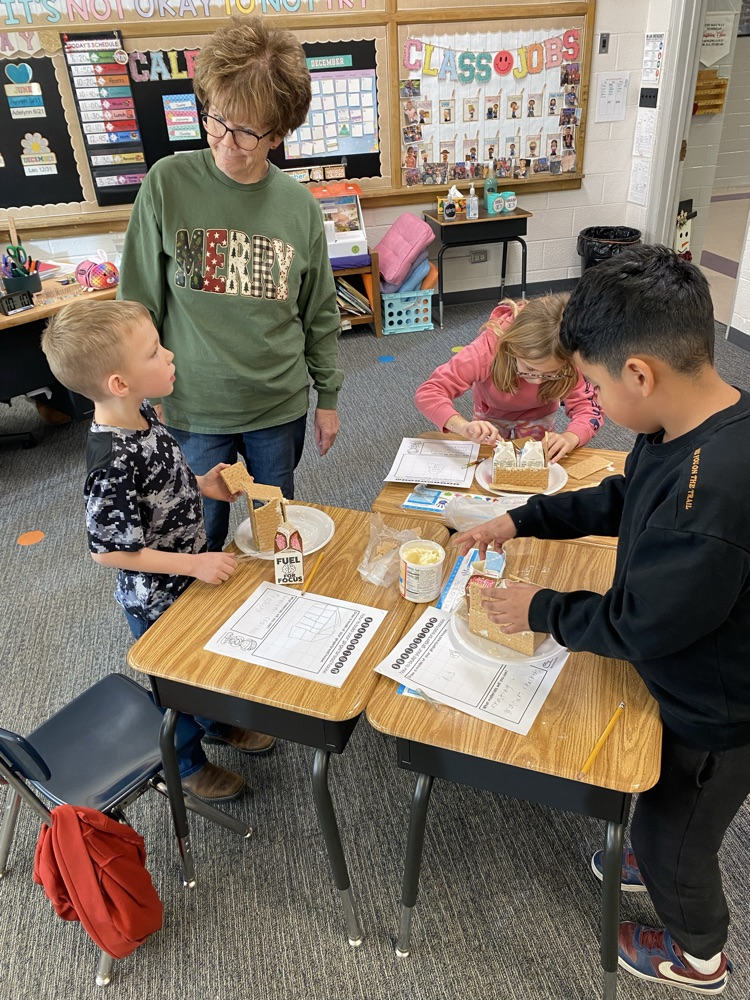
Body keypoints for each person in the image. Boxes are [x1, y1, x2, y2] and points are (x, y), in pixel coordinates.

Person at [454, 246, 750, 995]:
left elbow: (643, 625)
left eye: (589, 384)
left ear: (640, 374)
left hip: (718, 713)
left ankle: (699, 954)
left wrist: (540, 609)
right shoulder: (685, 425)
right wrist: (521, 520)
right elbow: (617, 500)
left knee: (675, 832)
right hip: (691, 669)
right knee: (655, 798)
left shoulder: (708, 499)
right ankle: (651, 858)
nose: (586, 397)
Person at [118, 16, 343, 551]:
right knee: (201, 535)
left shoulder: (299, 207)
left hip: (276, 402)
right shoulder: (167, 184)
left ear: (280, 132)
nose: (224, 142)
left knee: (272, 531)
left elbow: (319, 312)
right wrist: (140, 402)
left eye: (246, 132)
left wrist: (328, 397)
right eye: (216, 121)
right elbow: (137, 306)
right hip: (194, 404)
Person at [41, 299, 276, 803]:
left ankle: (217, 722)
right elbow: (108, 551)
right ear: (119, 384)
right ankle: (187, 765)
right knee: (174, 684)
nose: (170, 356)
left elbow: (162, 481)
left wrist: (202, 485)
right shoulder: (110, 461)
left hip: (187, 580)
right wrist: (194, 561)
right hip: (156, 600)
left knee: (203, 664)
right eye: (154, 352)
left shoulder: (144, 413)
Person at [414, 294, 603, 462]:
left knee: (537, 465)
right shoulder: (485, 352)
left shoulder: (570, 356)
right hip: (491, 416)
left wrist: (571, 437)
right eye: (529, 368)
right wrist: (462, 427)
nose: (537, 381)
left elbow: (589, 407)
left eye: (551, 374)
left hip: (539, 415)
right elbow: (429, 393)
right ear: (511, 349)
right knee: (484, 465)